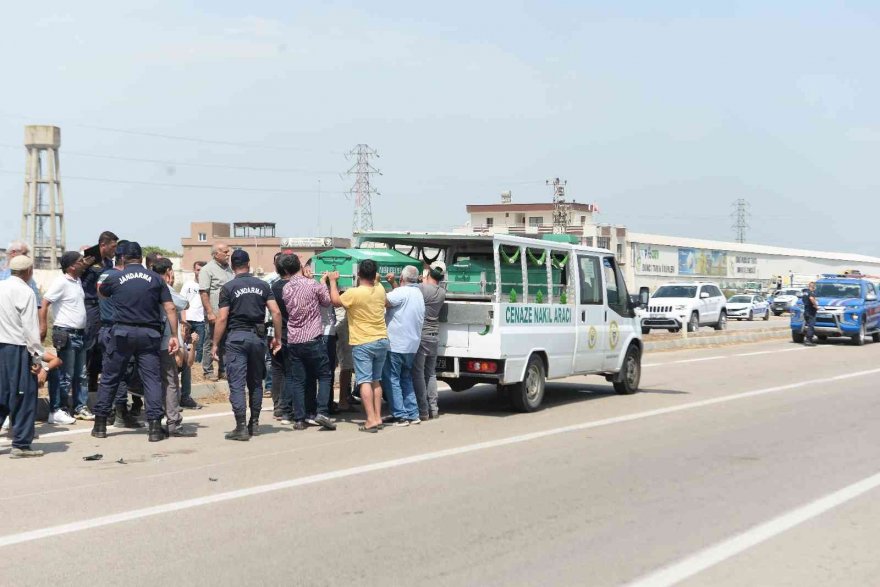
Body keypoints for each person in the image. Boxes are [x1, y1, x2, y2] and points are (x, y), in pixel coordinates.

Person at [90, 242, 179, 443]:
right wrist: (174, 335)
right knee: (151, 379)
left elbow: (102, 293)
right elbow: (170, 308)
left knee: (111, 377)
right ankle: (155, 427)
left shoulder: (116, 277)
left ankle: (100, 424)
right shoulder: (156, 278)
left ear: (122, 258)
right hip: (149, 334)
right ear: (141, 257)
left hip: (122, 332)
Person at [212, 249, 282, 441]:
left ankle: (241, 427)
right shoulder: (263, 285)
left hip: (236, 339)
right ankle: (255, 424)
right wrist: (278, 338)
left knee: (237, 384)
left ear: (232, 266)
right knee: (256, 383)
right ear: (248, 264)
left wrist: (215, 343)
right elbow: (276, 313)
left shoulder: (228, 288)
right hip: (258, 339)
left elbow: (222, 318)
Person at [328, 259, 389, 433]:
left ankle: (370, 419)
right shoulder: (380, 289)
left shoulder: (354, 293)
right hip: (382, 339)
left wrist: (333, 281)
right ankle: (377, 416)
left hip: (363, 341)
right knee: (376, 380)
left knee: (364, 381)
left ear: (359, 274)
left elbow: (335, 300)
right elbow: (377, 282)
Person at [281, 254, 337, 431]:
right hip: (312, 337)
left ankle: (299, 418)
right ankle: (322, 411)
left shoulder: (286, 288)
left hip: (294, 339)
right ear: (300, 265)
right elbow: (327, 302)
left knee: (299, 379)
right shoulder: (312, 284)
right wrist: (324, 282)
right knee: (325, 374)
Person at [0, 256, 46, 457]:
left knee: (2, 394)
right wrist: (37, 358)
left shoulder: (1, 287)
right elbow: (30, 327)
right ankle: (21, 444)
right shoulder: (26, 292)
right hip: (17, 347)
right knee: (25, 394)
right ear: (28, 271)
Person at [95, 240, 143, 429]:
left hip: (105, 328)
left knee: (109, 374)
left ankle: (109, 413)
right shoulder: (120, 278)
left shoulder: (105, 275)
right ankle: (121, 413)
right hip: (119, 329)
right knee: (122, 374)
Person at [40, 251, 92, 422]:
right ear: (71, 266)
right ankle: (59, 409)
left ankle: (80, 407)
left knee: (81, 374)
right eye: (80, 261)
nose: (83, 263)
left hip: (80, 333)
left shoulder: (77, 281)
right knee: (66, 374)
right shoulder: (61, 282)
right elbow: (45, 302)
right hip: (66, 334)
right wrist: (43, 325)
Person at [152, 258, 197, 437]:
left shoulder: (145, 284)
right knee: (170, 382)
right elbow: (183, 303)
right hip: (165, 342)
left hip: (145, 340)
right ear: (169, 272)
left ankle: (154, 420)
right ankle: (173, 423)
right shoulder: (163, 286)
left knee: (152, 381)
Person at [382, 266, 426, 426]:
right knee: (405, 378)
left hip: (396, 344)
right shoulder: (417, 293)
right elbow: (397, 300)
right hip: (412, 345)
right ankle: (413, 413)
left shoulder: (401, 292)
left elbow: (385, 301)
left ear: (402, 278)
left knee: (392, 379)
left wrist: (377, 285)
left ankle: (399, 415)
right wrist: (393, 283)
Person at [81, 231, 119, 394]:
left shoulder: (109, 263)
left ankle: (93, 380)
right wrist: (84, 264)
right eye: (113, 246)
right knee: (88, 344)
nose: (114, 250)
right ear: (103, 245)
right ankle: (82, 383)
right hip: (89, 306)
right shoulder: (89, 259)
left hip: (103, 306)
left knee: (100, 345)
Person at [412, 263, 446, 420]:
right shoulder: (442, 292)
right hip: (434, 335)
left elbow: (406, 288)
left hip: (422, 335)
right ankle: (434, 408)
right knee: (431, 373)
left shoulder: (422, 288)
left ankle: (423, 410)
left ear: (429, 273)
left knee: (418, 373)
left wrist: (422, 280)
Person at [199, 243, 233, 381]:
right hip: (214, 313)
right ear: (215, 254)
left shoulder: (229, 270)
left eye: (228, 251)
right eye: (225, 252)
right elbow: (203, 292)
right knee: (210, 341)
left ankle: (223, 370)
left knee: (225, 342)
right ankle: (208, 371)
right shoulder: (207, 269)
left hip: (227, 314)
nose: (228, 254)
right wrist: (209, 312)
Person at [268, 253, 291, 421]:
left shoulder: (272, 287)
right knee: (290, 370)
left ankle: (277, 404)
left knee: (277, 369)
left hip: (273, 332)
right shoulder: (295, 287)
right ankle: (285, 406)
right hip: (290, 332)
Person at [181, 261, 207, 368]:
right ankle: (185, 366)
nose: (199, 272)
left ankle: (196, 366)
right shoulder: (188, 284)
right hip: (188, 319)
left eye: (202, 270)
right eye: (198, 270)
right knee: (185, 344)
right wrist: (184, 320)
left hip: (201, 320)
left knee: (199, 346)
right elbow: (182, 302)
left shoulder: (207, 286)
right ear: (194, 270)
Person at [802, 281, 818, 346]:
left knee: (809, 326)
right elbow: (811, 298)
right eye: (814, 287)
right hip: (811, 312)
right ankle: (808, 340)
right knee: (811, 326)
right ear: (813, 287)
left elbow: (803, 301)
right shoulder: (811, 293)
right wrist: (815, 305)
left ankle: (809, 340)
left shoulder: (805, 293)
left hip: (806, 311)